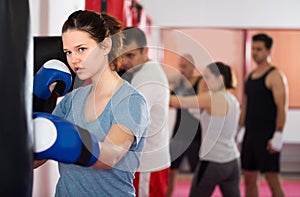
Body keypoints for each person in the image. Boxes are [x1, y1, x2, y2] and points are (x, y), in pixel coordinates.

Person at [33, 10, 150, 197]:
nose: (74, 59)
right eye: (68, 52)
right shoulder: (70, 100)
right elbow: (36, 160)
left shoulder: (131, 101)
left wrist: (72, 141)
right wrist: (36, 103)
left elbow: (110, 156)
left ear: (105, 46)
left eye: (81, 49)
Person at [170, 62, 241, 197]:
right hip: (232, 161)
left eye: (207, 77)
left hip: (213, 161)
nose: (204, 81)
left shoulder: (212, 98)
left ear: (220, 79)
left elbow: (179, 102)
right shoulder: (233, 99)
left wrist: (156, 94)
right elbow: (196, 112)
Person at [120, 27, 171, 197]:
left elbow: (131, 119)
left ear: (145, 51)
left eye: (131, 55)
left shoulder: (147, 77)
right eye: (123, 55)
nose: (125, 61)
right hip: (146, 162)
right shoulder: (141, 72)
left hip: (148, 164)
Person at [239, 33, 288, 197]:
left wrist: (279, 134)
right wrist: (238, 130)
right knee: (249, 179)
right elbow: (245, 107)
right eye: (253, 48)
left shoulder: (275, 76)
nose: (254, 52)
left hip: (267, 137)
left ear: (268, 51)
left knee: (272, 180)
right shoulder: (249, 76)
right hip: (250, 136)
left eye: (259, 49)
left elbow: (282, 107)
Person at [166, 54, 207, 197]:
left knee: (198, 172)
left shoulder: (201, 82)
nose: (181, 70)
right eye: (180, 66)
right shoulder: (179, 84)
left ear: (192, 66)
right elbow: (168, 102)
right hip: (178, 133)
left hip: (195, 134)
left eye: (185, 66)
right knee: (170, 170)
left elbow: (201, 104)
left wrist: (181, 101)